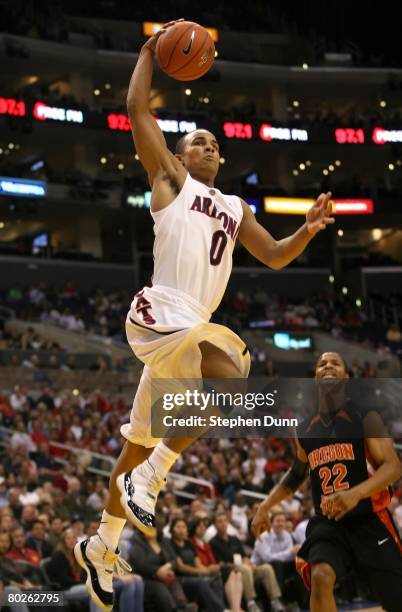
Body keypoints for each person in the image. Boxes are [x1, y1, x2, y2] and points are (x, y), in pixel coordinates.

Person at [74, 18, 334, 611]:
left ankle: (102, 544)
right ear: (180, 154)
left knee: (136, 445)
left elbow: (271, 256)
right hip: (162, 314)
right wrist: (147, 49)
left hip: (186, 335)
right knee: (234, 372)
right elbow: (138, 109)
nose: (209, 146)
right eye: (198, 141)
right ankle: (157, 474)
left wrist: (308, 230)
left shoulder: (234, 205)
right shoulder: (169, 179)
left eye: (216, 143)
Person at [252, 351, 402, 612]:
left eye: (335, 363)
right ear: (315, 377)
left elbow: (393, 467)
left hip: (369, 519)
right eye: (322, 364)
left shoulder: (366, 417)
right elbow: (296, 474)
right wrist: (265, 506)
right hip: (329, 524)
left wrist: (354, 494)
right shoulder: (304, 429)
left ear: (345, 376)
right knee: (320, 577)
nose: (328, 366)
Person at [210, 511, 284, 612]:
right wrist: (239, 565)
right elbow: (219, 564)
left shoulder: (234, 538)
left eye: (225, 521)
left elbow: (244, 556)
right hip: (230, 572)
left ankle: (275, 600)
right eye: (219, 521)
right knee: (245, 569)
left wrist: (249, 563)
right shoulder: (212, 542)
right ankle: (251, 603)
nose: (223, 524)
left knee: (266, 568)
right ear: (214, 525)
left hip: (244, 567)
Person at [189, 514, 243, 612]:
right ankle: (225, 609)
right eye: (199, 526)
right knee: (229, 574)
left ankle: (235, 608)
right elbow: (197, 563)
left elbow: (213, 561)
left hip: (213, 571)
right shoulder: (191, 543)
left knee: (237, 574)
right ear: (193, 528)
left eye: (203, 526)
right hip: (202, 572)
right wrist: (209, 569)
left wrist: (214, 567)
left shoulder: (206, 544)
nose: (202, 528)